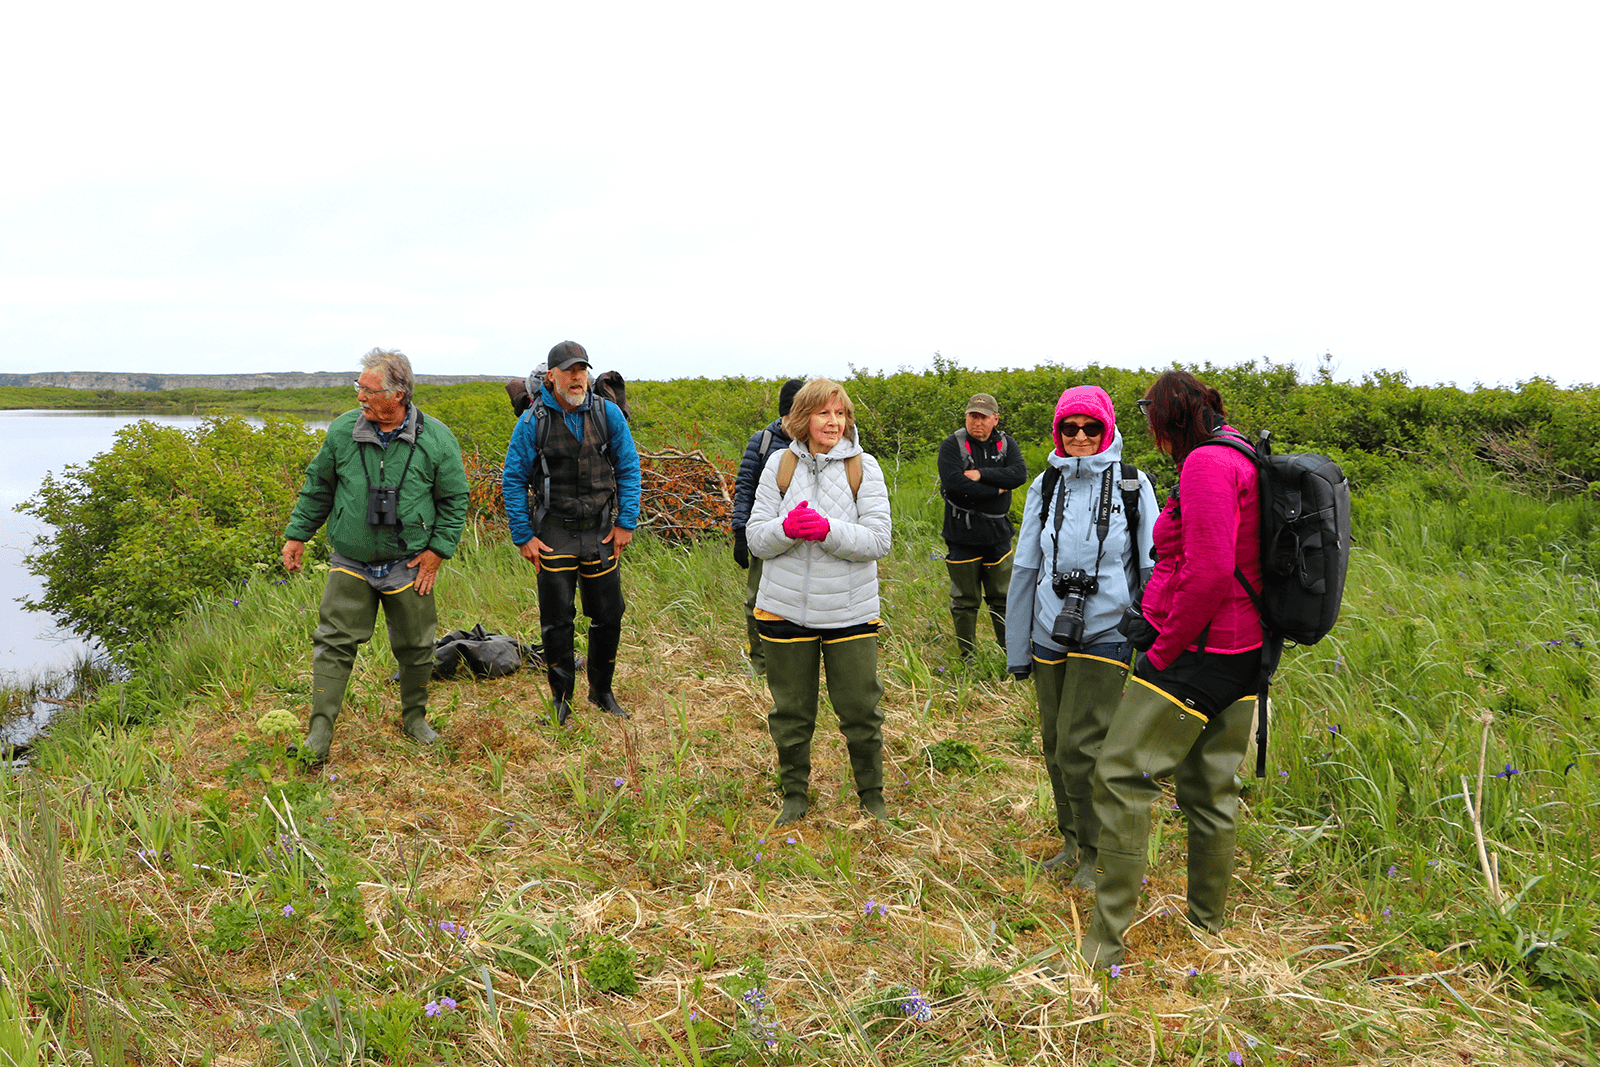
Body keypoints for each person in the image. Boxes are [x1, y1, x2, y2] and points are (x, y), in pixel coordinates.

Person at [1081, 369, 1263, 968]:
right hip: (1247, 653)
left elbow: (1210, 571)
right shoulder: (1241, 451)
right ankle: (1207, 926)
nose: (1149, 426)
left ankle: (1104, 945)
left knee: (1119, 774)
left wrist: (1161, 649)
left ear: (1169, 416)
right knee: (1211, 788)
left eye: (1150, 413)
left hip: (1201, 653)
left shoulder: (1207, 465)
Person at [282, 347, 470, 762]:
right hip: (351, 560)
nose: (360, 397)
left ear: (397, 394)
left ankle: (415, 720)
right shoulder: (342, 432)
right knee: (333, 644)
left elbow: (456, 500)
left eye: (368, 390)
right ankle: (319, 735)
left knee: (418, 647)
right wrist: (297, 535)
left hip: (410, 563)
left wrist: (439, 550)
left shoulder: (437, 438)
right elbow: (318, 488)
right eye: (358, 387)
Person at [1006, 386, 1157, 888]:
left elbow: (1154, 565)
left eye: (1091, 427)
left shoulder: (1133, 486)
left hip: (1108, 629)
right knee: (1053, 742)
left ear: (1108, 428)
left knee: (1081, 745)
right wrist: (1017, 648)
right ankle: (1070, 840)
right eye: (1069, 428)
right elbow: (1027, 566)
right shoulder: (1046, 485)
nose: (1080, 437)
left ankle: (1096, 853)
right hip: (1050, 627)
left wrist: (1152, 639)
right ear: (1058, 431)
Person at [746, 379, 892, 824]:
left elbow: (879, 540)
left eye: (841, 414)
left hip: (850, 612)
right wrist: (787, 529)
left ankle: (872, 798)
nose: (834, 422)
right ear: (802, 418)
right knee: (790, 713)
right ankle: (794, 797)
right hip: (785, 610)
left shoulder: (863, 467)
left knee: (862, 711)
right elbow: (756, 537)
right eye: (823, 413)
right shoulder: (779, 464)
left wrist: (826, 529)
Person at [502, 341, 642, 724]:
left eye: (582, 369)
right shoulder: (533, 422)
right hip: (552, 532)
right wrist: (523, 535)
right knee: (556, 619)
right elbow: (513, 479)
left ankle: (602, 692)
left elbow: (629, 468)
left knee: (609, 614)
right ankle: (561, 699)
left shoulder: (607, 414)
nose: (578, 377)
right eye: (569, 370)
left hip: (598, 531)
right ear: (552, 376)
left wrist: (625, 522)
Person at [939, 393, 1028, 658]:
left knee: (1002, 598)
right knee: (965, 600)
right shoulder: (952, 445)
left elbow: (1019, 474)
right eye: (972, 416)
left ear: (995, 418)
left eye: (983, 417)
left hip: (998, 535)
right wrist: (998, 489)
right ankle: (968, 658)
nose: (976, 422)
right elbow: (955, 485)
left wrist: (982, 475)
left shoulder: (1006, 444)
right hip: (961, 535)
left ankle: (1009, 655)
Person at [731, 378, 806, 677]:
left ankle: (797, 662)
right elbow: (745, 488)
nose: (797, 424)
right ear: (783, 414)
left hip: (804, 537)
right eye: (793, 416)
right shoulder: (762, 441)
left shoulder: (813, 442)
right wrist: (740, 532)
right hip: (766, 534)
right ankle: (760, 663)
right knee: (756, 601)